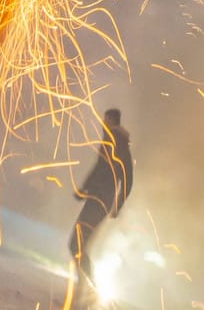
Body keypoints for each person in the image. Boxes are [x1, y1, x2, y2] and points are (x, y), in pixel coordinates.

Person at [69, 108, 135, 281]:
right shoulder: (121, 145)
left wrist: (84, 189)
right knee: (79, 245)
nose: (103, 124)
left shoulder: (112, 141)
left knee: (76, 244)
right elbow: (127, 179)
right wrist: (117, 204)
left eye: (105, 120)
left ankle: (88, 290)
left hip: (99, 200)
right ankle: (86, 289)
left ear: (110, 120)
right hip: (103, 201)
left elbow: (100, 169)